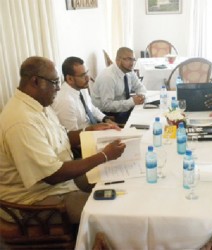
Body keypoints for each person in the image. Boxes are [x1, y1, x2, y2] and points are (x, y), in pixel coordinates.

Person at [0, 56, 126, 224]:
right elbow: (52, 175)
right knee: (108, 214)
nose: (59, 88)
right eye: (55, 82)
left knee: (114, 176)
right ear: (35, 81)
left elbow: (62, 137)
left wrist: (90, 129)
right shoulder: (21, 121)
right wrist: (103, 156)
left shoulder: (38, 105)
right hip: (35, 200)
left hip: (59, 183)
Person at [52, 56, 119, 132]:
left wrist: (105, 119)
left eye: (87, 73)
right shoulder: (65, 101)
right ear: (70, 79)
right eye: (83, 75)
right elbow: (71, 136)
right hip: (82, 139)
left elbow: (91, 108)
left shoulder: (81, 88)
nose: (88, 78)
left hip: (93, 130)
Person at [91, 47, 146, 124]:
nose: (132, 63)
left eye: (133, 59)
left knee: (146, 114)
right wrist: (131, 102)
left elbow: (139, 86)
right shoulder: (108, 77)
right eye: (128, 59)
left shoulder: (129, 71)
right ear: (118, 60)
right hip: (108, 115)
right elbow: (107, 106)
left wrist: (141, 95)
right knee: (142, 120)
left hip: (123, 107)